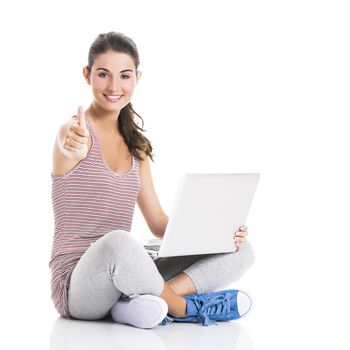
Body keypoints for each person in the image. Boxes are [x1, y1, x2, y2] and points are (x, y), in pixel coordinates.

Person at [49, 31, 255, 329]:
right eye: (103, 74)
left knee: (241, 250)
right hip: (77, 285)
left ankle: (137, 301)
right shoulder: (74, 131)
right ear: (87, 75)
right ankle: (185, 308)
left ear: (137, 78)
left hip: (127, 271)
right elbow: (66, 141)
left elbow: (158, 223)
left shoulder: (137, 149)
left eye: (125, 75)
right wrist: (70, 143)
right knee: (120, 242)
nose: (114, 86)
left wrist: (219, 231)